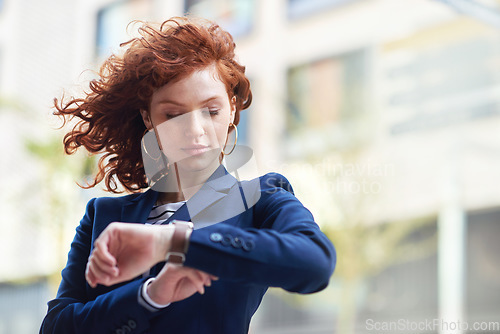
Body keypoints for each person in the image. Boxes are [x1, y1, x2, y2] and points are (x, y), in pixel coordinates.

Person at [40, 16, 336, 334]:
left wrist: (171, 242)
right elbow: (56, 327)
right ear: (149, 119)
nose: (196, 131)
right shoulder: (103, 216)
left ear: (232, 109)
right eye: (173, 114)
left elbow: (315, 263)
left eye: (211, 111)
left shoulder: (260, 199)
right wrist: (148, 295)